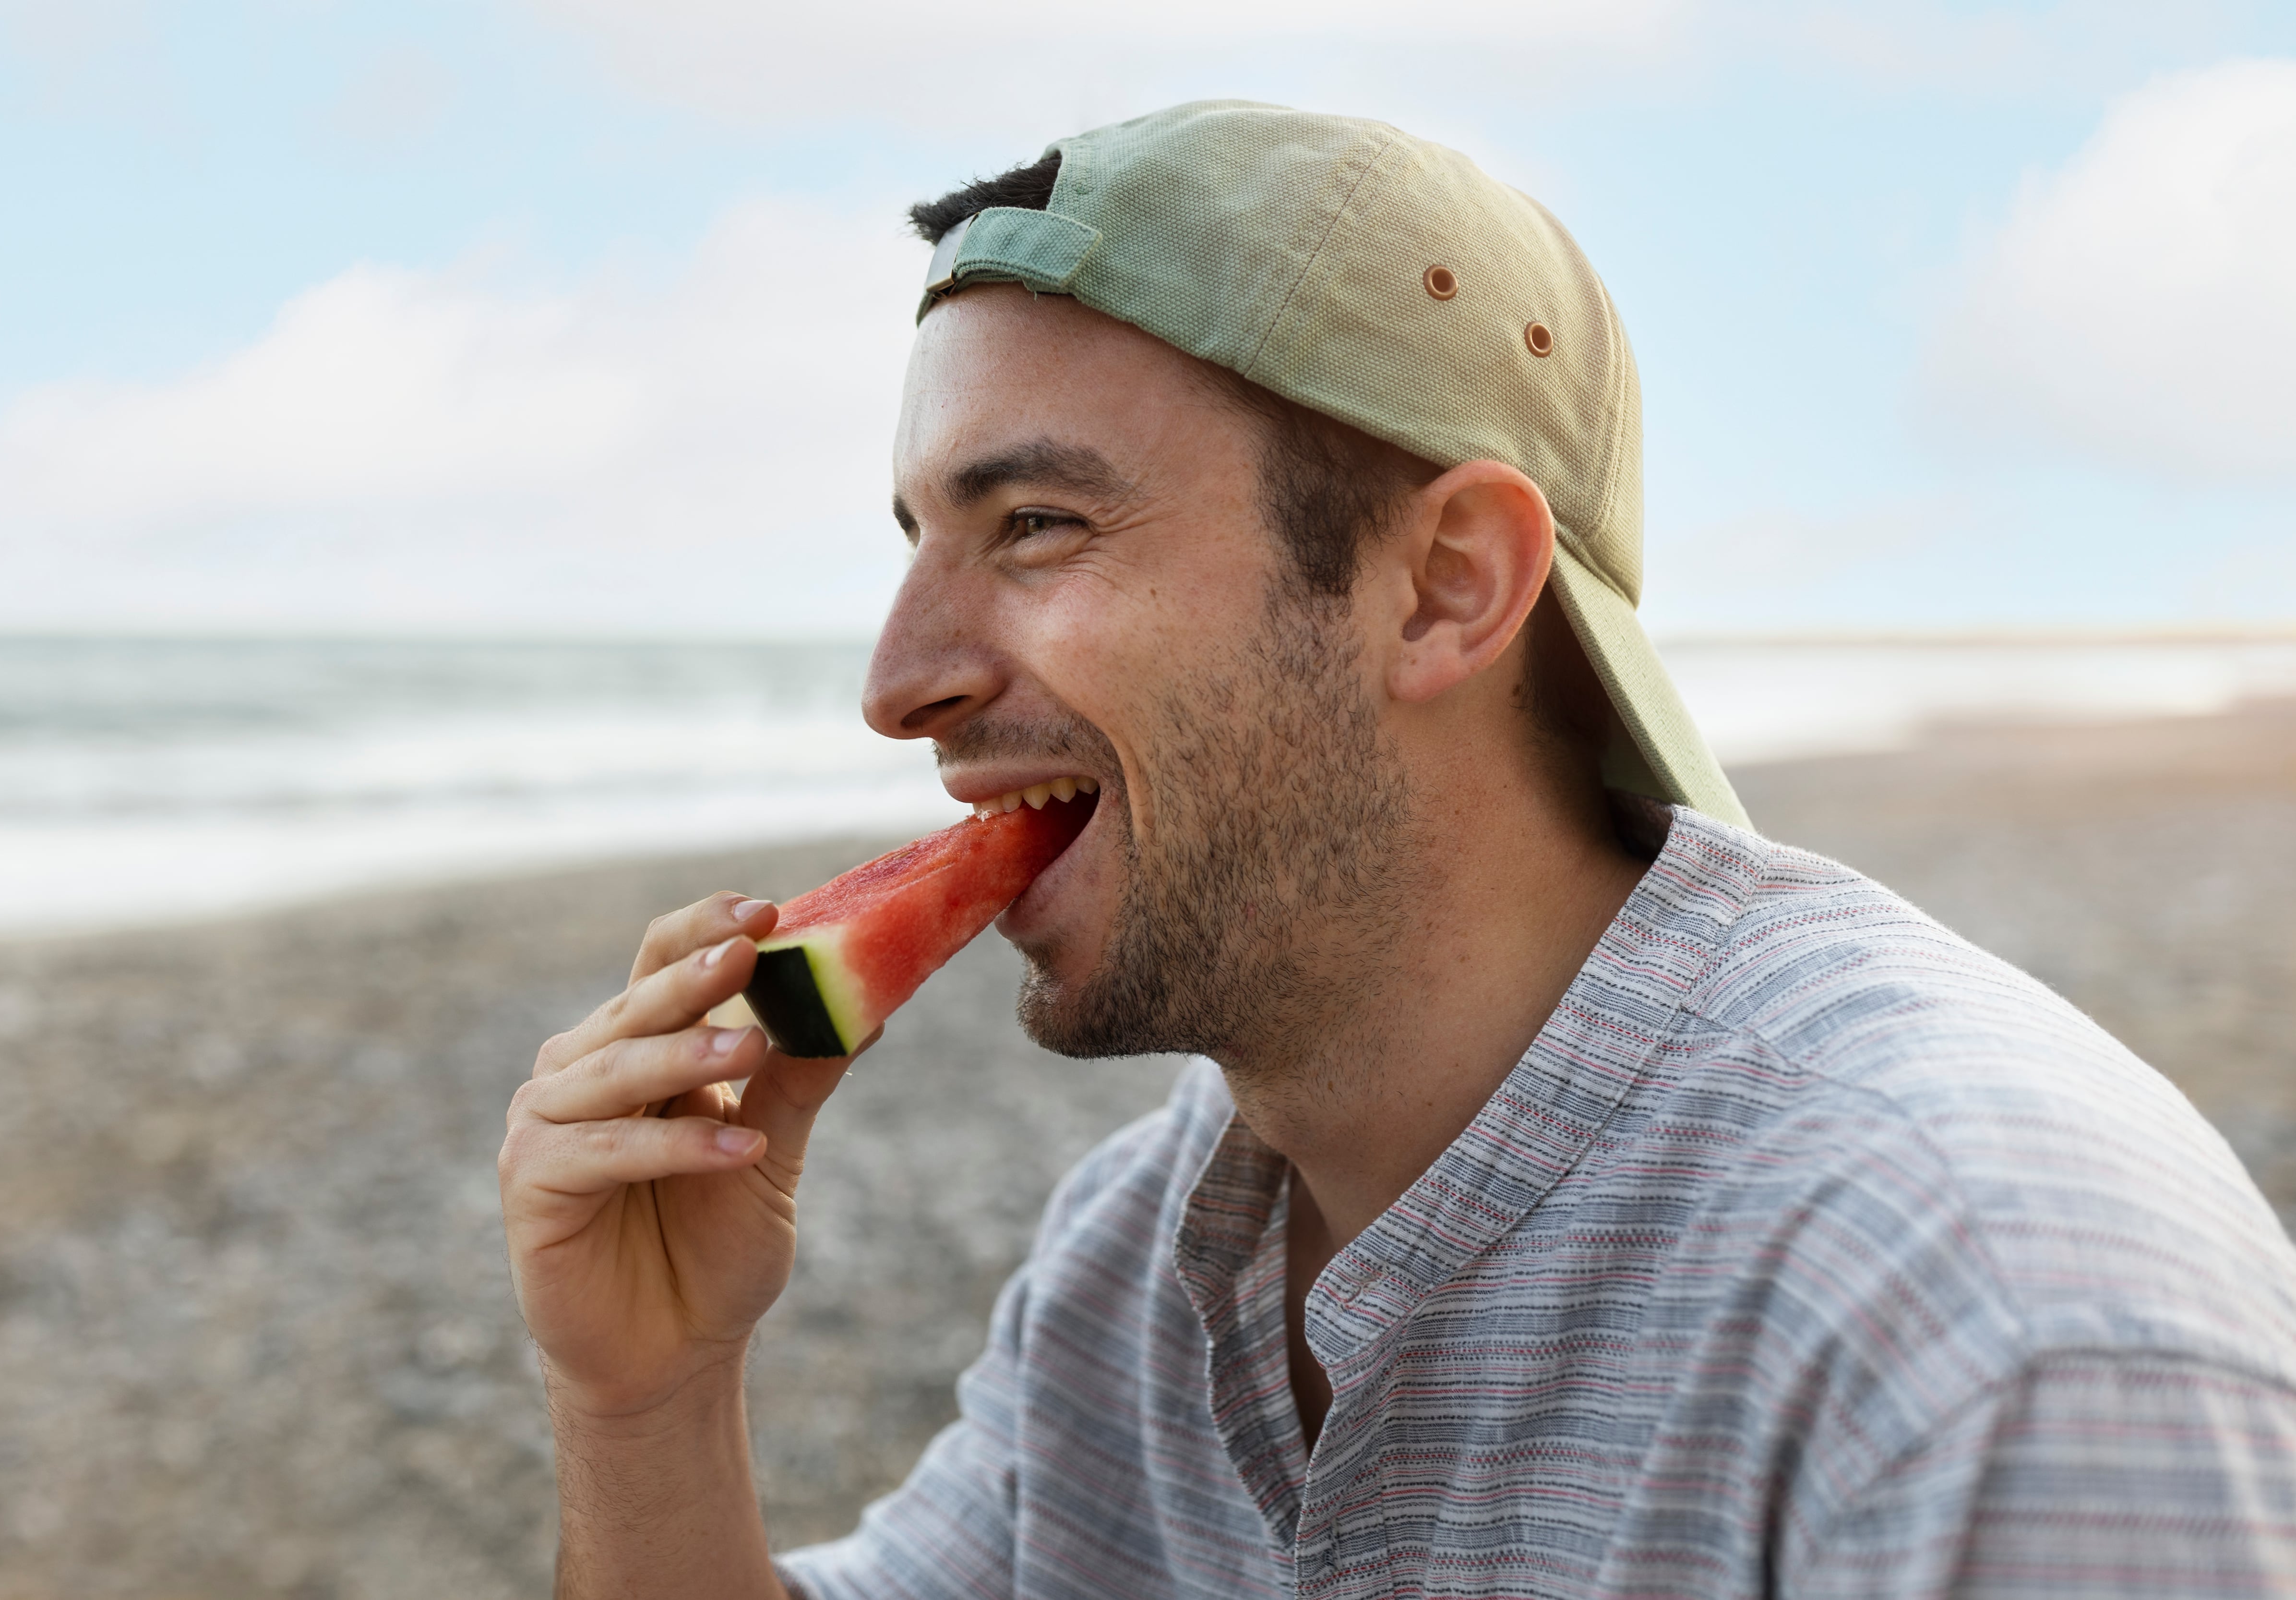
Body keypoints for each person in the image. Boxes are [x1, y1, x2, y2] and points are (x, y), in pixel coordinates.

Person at [498, 102, 2296, 1598]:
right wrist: (650, 1400)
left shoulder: (1999, 1325)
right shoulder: (1147, 1247)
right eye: (916, 540)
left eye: (1035, 526)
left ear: (1445, 588)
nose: (899, 683)